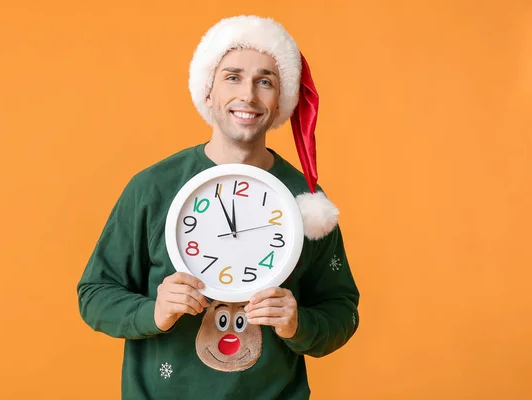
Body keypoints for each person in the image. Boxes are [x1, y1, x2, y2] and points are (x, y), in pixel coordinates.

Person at [77, 15, 360, 400]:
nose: (248, 95)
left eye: (265, 81)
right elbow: (95, 293)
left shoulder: (305, 199)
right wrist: (154, 312)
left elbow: (342, 309)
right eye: (232, 77)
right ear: (208, 91)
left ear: (281, 102)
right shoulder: (153, 187)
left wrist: (299, 323)